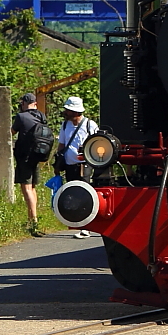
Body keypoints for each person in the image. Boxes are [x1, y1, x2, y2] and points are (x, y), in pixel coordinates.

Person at [56, 95, 99, 238]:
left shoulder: (89, 125)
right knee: (73, 194)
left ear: (75, 111)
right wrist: (58, 161)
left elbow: (96, 143)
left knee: (85, 194)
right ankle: (78, 223)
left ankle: (87, 227)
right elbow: (61, 145)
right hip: (70, 165)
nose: (65, 112)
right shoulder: (65, 125)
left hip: (85, 165)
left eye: (68, 110)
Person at [11, 92, 47, 237]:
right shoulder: (41, 116)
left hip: (24, 157)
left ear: (25, 103)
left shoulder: (21, 117)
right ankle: (32, 218)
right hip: (36, 156)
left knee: (26, 188)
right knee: (32, 188)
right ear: (35, 103)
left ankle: (33, 221)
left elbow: (11, 132)